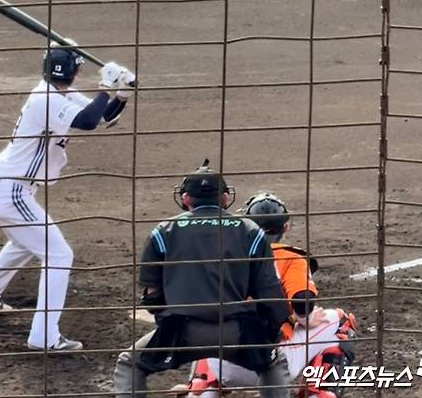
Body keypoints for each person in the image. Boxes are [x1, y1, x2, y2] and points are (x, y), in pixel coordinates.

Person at [0, 46, 134, 351]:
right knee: (59, 255)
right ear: (74, 71)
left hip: (10, 188)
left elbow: (100, 116)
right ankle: (44, 337)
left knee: (25, 242)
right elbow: (86, 120)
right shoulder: (47, 99)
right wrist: (105, 86)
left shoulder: (57, 94)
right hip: (12, 191)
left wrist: (121, 94)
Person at [113, 162, 292, 398]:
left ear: (186, 198)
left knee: (129, 363)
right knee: (273, 363)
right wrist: (269, 335)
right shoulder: (250, 230)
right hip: (236, 332)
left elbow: (152, 296)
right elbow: (269, 296)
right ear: (225, 198)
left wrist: (170, 321)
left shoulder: (164, 231)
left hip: (181, 331)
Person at [186, 191, 357, 398]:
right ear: (286, 227)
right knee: (341, 322)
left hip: (223, 363)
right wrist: (304, 319)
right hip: (272, 364)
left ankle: (200, 389)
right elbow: (302, 299)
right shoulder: (290, 258)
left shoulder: (223, 256)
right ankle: (318, 394)